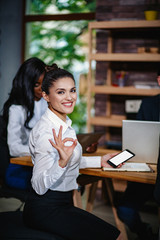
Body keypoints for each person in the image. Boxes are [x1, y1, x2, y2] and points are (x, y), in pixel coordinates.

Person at [23, 64, 123, 240]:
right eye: (61, 92)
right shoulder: (48, 132)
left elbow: (69, 160)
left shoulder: (64, 124)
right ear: (46, 96)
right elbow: (38, 185)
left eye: (72, 90)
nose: (69, 97)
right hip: (46, 209)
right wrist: (61, 163)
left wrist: (100, 161)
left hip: (63, 203)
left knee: (115, 234)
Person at [116, 68, 160, 240]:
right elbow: (136, 141)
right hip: (147, 169)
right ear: (159, 80)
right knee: (125, 210)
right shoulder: (148, 105)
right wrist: (119, 158)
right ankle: (145, 233)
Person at [2, 57, 47, 190]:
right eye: (36, 85)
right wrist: (40, 151)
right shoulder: (16, 110)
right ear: (27, 84)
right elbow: (14, 148)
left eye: (43, 83)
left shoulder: (46, 103)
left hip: (41, 164)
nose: (41, 89)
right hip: (20, 168)